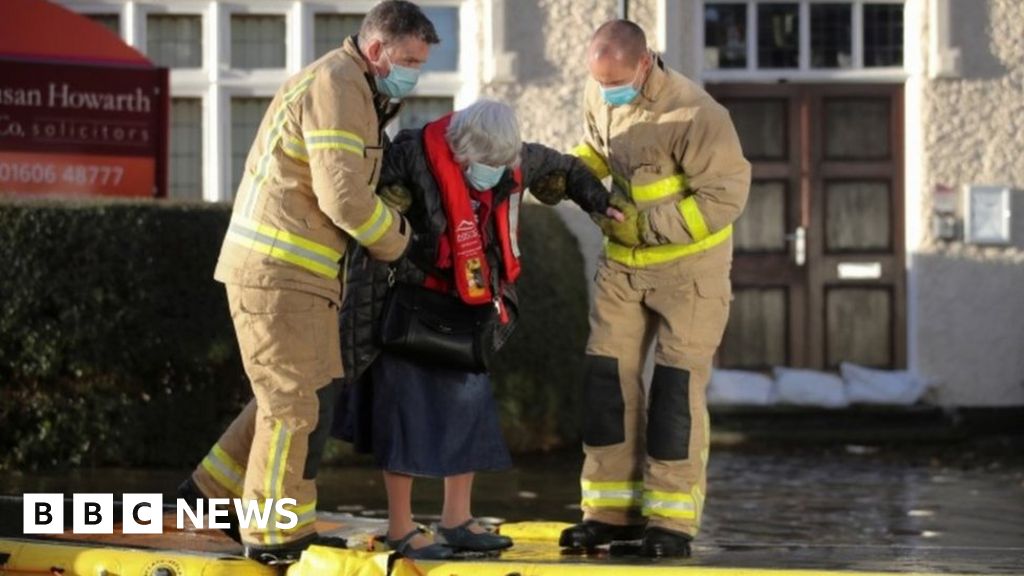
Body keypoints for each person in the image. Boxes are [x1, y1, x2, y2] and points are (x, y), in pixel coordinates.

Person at [175, 1, 439, 564]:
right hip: (280, 272)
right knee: (294, 405)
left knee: (303, 391)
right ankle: (275, 534)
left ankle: (206, 496)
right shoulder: (340, 86)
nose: (416, 73)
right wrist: (400, 241)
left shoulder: (354, 88)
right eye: (410, 59)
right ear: (376, 51)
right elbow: (343, 197)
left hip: (299, 274)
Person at [333, 100, 622, 560]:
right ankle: (402, 527)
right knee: (402, 418)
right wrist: (394, 203)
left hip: (466, 307)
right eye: (478, 164)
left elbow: (566, 169)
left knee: (468, 412)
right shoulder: (411, 152)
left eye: (496, 165)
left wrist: (600, 202)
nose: (487, 172)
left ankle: (457, 520)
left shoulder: (513, 157)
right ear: (458, 148)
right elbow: (369, 203)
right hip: (407, 306)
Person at [559, 20, 751, 558]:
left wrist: (644, 228)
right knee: (606, 385)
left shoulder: (699, 115)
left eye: (615, 81)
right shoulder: (600, 92)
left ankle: (671, 523)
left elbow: (722, 199)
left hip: (689, 273)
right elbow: (600, 149)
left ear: (645, 63)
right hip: (622, 267)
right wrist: (570, 171)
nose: (607, 91)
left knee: (674, 394)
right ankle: (608, 513)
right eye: (599, 82)